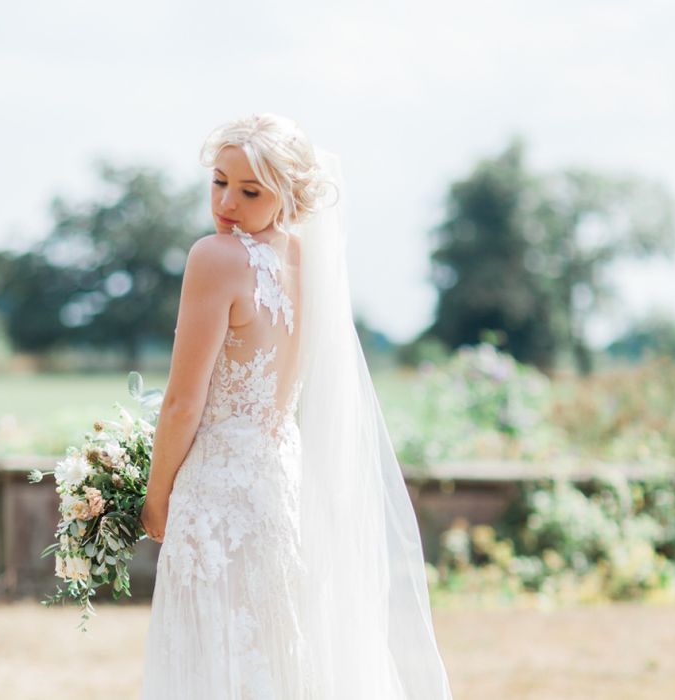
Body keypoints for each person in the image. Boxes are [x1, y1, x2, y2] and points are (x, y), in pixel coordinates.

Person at [139, 113, 453, 699]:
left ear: (290, 194)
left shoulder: (214, 257)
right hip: (283, 484)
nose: (227, 202)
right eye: (219, 181)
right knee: (280, 651)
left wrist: (155, 498)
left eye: (250, 190)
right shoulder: (317, 267)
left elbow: (183, 403)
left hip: (215, 492)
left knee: (212, 653)